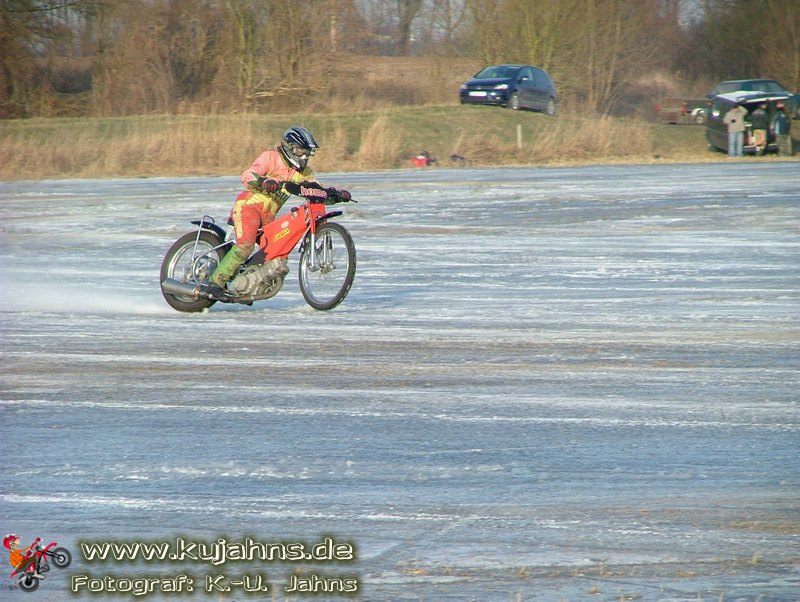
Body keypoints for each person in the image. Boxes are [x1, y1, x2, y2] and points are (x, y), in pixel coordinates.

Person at [205, 126, 351, 299]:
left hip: (268, 216)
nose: (304, 157)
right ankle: (215, 283)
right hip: (248, 208)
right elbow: (247, 175)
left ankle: (248, 284)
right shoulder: (270, 157)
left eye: (307, 153)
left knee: (275, 251)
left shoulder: (304, 173)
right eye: (300, 151)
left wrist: (336, 194)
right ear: (289, 148)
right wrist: (263, 181)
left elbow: (317, 189)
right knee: (245, 245)